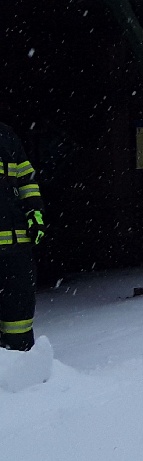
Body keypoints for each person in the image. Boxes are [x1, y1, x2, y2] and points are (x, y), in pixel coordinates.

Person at [0, 120, 44, 351]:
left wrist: (35, 213)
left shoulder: (6, 135)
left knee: (19, 320)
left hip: (17, 249)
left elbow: (27, 181)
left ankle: (23, 364)